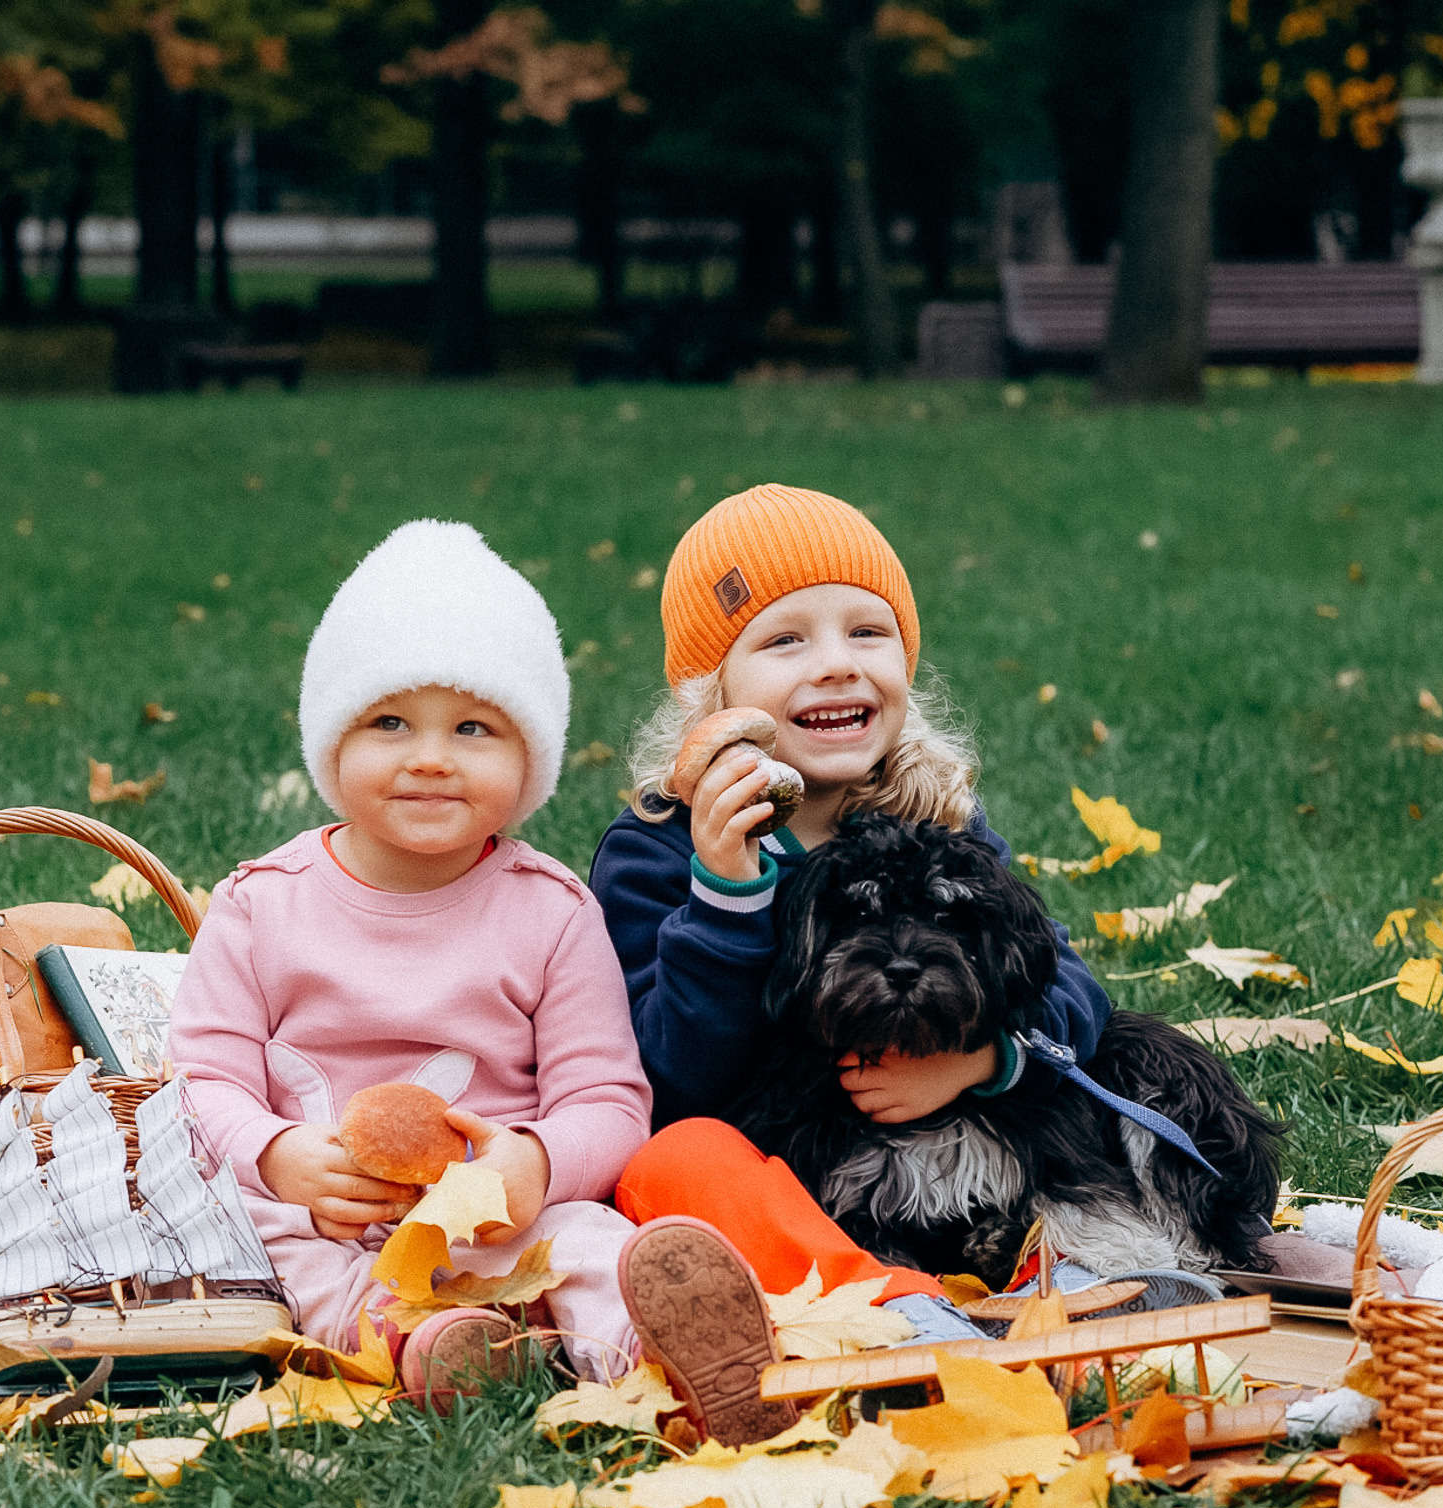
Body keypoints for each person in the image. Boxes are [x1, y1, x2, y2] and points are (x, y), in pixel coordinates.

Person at [590, 484, 1120, 1435]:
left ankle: (1077, 1293)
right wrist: (728, 892)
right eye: (785, 640)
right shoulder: (657, 850)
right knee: (673, 1161)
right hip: (779, 1174)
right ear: (712, 695)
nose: (836, 666)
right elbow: (667, 1076)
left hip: (951, 1157)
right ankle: (899, 1320)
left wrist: (984, 1058)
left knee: (1100, 1085)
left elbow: (1071, 987)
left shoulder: (936, 815)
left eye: (868, 633)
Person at [174, 519, 653, 1405]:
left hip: (498, 1216)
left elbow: (609, 1100)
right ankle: (411, 1336)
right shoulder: (259, 904)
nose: (430, 757)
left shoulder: (551, 913)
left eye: (473, 727)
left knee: (590, 1238)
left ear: (529, 758)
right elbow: (203, 1079)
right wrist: (276, 1153)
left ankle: (646, 1341)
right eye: (389, 721)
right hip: (318, 1217)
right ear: (332, 745)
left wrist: (535, 1164)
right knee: (252, 1242)